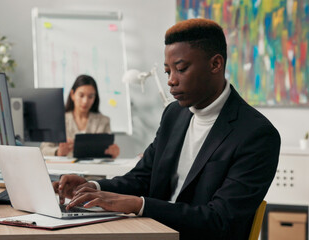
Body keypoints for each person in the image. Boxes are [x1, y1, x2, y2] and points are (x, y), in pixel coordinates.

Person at [53, 18, 280, 240]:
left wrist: (140, 204)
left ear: (215, 64)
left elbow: (220, 221)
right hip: (151, 232)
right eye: (167, 71)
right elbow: (142, 177)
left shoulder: (256, 135)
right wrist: (91, 186)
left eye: (180, 69)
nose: (171, 80)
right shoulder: (174, 114)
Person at [40, 74, 120, 158]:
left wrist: (113, 153)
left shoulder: (103, 121)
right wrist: (58, 152)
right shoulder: (58, 120)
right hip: (66, 169)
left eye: (90, 96)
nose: (85, 101)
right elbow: (43, 149)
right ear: (72, 94)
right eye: (81, 95)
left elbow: (107, 151)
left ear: (95, 98)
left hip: (94, 170)